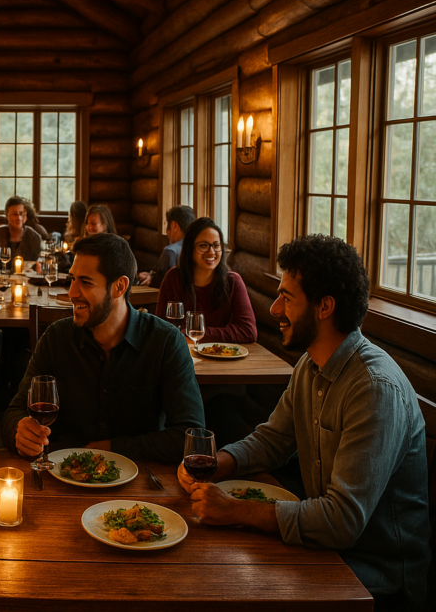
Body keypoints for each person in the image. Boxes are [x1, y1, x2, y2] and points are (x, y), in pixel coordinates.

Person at [178, 235, 429, 611]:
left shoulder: (374, 389)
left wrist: (237, 510)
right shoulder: (312, 364)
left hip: (375, 576)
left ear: (325, 307)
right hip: (328, 550)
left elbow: (342, 520)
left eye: (287, 298)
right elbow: (273, 440)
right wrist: (217, 464)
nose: (275, 308)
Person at [2, 234, 204, 463]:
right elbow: (15, 411)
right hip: (59, 476)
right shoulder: (56, 338)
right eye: (72, 280)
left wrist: (114, 448)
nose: (72, 293)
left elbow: (190, 437)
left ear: (119, 286)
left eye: (85, 282)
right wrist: (19, 432)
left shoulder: (165, 342)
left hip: (138, 487)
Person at [154, 217, 256, 344]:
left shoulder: (233, 281)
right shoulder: (174, 278)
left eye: (216, 245)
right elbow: (161, 329)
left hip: (223, 356)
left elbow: (248, 331)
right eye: (203, 246)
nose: (211, 252)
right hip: (183, 355)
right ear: (190, 249)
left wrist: (199, 333)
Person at [137, 205, 194, 287]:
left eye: (167, 225)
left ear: (174, 226)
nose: (167, 234)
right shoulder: (197, 248)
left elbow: (165, 282)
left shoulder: (170, 251)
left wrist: (151, 279)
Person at [0, 196, 43, 262]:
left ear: (25, 216)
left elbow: (39, 261)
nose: (18, 217)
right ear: (7, 215)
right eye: (15, 214)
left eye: (21, 213)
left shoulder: (35, 237)